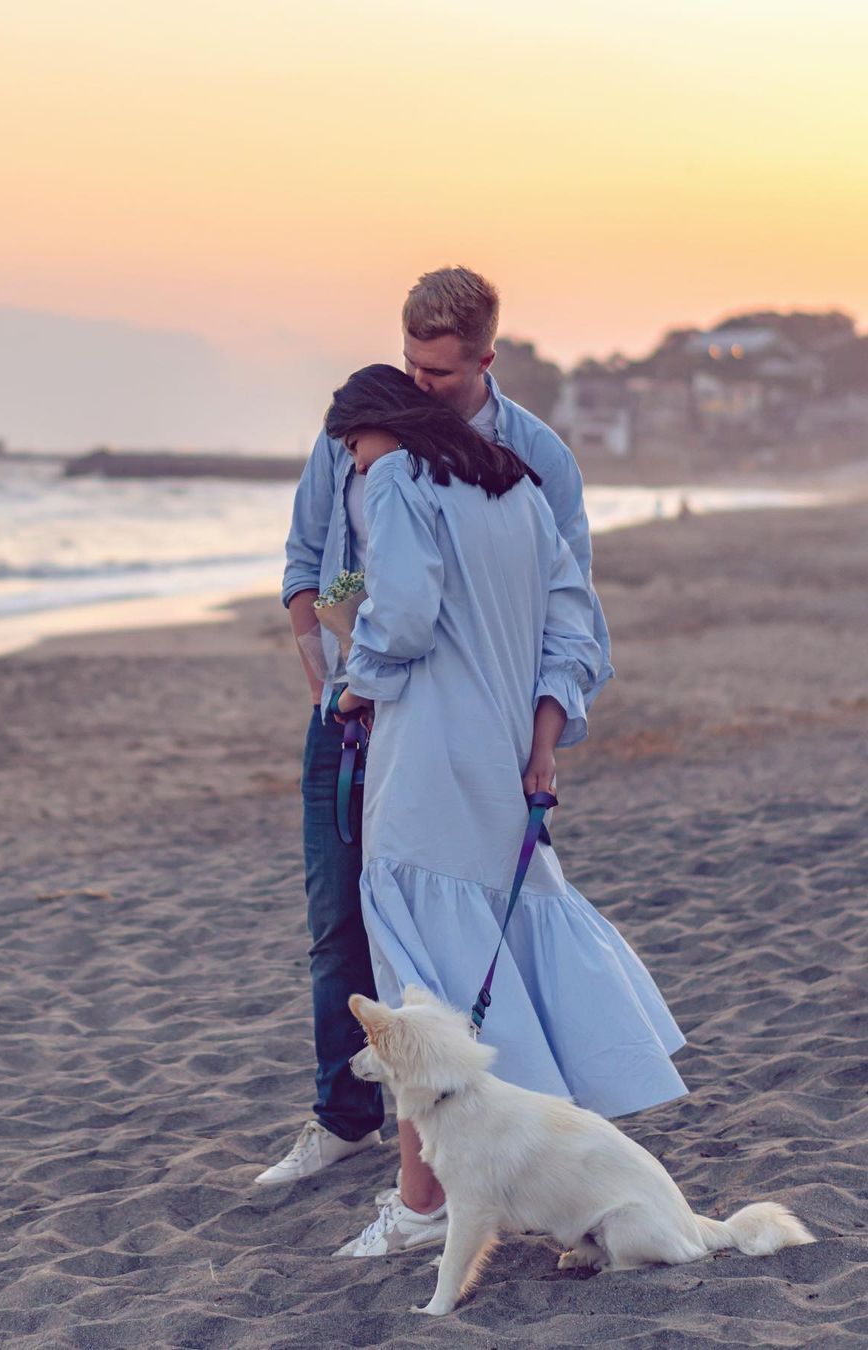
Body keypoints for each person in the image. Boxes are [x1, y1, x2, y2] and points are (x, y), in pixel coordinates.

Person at [259, 267, 613, 1188]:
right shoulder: (357, 440)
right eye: (410, 368)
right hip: (350, 715)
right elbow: (305, 561)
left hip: (465, 732)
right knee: (342, 926)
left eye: (440, 376)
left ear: (486, 360)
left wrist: (539, 742)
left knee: (473, 929)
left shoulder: (535, 459)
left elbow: (566, 617)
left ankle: (475, 1146)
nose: (419, 390)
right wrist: (322, 671)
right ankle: (345, 1117)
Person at [323, 365, 688, 1257]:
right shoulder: (519, 489)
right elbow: (576, 638)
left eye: (351, 449)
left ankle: (417, 1210)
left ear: (379, 431)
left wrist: (353, 684)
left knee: (421, 983)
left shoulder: (396, 480)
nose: (352, 468)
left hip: (427, 764)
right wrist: (542, 744)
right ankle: (491, 1183)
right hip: (502, 763)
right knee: (491, 954)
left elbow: (401, 620)